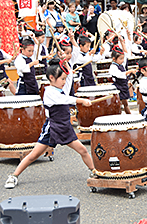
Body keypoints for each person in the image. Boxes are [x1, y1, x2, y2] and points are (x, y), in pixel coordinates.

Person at [4, 59, 95, 189]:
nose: (64, 82)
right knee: (34, 155)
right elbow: (63, 99)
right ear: (51, 78)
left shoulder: (60, 88)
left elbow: (68, 81)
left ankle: (94, 172)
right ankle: (14, 175)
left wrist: (67, 69)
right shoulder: (49, 92)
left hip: (65, 126)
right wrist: (81, 100)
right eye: (62, 79)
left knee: (83, 150)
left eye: (64, 79)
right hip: (52, 127)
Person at [110, 42, 137, 114]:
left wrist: (122, 42)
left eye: (123, 58)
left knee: (125, 103)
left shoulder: (120, 64)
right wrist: (130, 71)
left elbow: (126, 52)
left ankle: (128, 114)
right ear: (114, 59)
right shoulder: (113, 67)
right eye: (120, 59)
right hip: (118, 86)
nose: (122, 60)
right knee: (119, 103)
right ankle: (124, 114)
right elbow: (120, 75)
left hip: (123, 85)